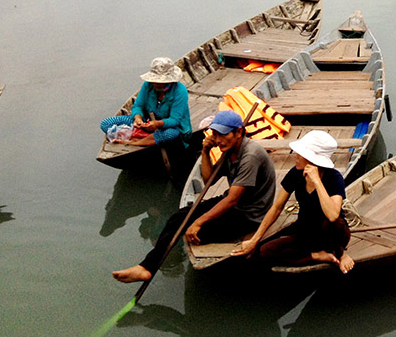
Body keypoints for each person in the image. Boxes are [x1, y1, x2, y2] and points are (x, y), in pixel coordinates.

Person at [112, 110, 276, 283]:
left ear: (239, 132)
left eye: (223, 134)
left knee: (198, 234)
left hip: (249, 213)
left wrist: (198, 222)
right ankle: (146, 267)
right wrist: (205, 151)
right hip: (234, 204)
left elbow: (233, 199)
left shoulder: (250, 155)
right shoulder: (228, 149)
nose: (218, 139)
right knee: (178, 218)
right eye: (215, 134)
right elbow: (208, 180)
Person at [232, 130, 355, 272]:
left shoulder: (334, 178)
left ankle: (340, 253)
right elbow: (277, 207)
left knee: (334, 224)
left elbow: (333, 214)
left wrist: (316, 182)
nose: (296, 155)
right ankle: (316, 256)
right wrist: (255, 240)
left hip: (332, 236)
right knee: (265, 251)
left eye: (300, 153)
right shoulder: (295, 174)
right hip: (306, 232)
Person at [100, 57, 191, 147]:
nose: (156, 83)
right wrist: (138, 118)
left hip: (169, 127)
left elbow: (175, 120)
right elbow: (138, 106)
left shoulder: (180, 91)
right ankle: (146, 138)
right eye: (154, 80)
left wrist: (157, 124)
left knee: (171, 134)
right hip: (147, 122)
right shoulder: (148, 85)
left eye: (160, 81)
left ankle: (135, 142)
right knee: (106, 123)